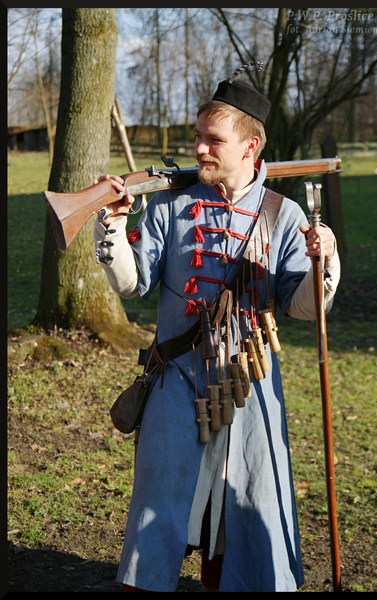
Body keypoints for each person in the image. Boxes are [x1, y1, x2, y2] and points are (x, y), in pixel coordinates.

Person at [93, 64, 340, 592]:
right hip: (176, 383)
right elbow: (132, 284)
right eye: (199, 136)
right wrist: (112, 226)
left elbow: (302, 307)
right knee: (157, 507)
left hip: (250, 387)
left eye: (214, 140)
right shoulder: (171, 205)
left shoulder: (283, 214)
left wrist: (325, 262)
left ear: (251, 147)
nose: (200, 149)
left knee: (243, 511)